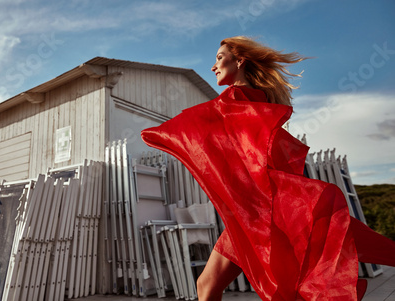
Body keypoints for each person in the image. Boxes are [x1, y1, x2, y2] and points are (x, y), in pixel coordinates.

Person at [141, 36, 395, 300]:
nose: (213, 66)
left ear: (239, 60)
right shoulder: (257, 103)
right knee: (209, 285)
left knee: (208, 285)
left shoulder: (234, 101)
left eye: (219, 57)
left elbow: (199, 126)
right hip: (252, 215)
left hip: (259, 214)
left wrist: (159, 132)